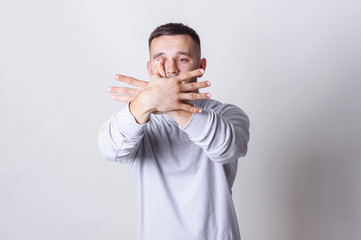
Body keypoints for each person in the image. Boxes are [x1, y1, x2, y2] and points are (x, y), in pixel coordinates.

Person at [98, 23, 250, 240]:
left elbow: (227, 148)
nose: (171, 69)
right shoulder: (139, 119)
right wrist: (145, 104)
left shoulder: (228, 114)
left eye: (182, 59)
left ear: (201, 65)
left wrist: (171, 104)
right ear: (150, 69)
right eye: (160, 59)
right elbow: (109, 149)